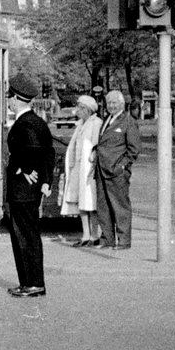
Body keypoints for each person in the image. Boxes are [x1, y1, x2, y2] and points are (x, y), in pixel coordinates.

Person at [5, 73, 55, 298]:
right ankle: (29, 282)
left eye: (9, 98)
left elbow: (31, 151)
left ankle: (32, 283)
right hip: (29, 190)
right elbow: (49, 153)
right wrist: (46, 180)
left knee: (24, 237)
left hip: (23, 191)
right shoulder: (37, 122)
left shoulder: (26, 124)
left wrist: (22, 169)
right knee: (27, 236)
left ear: (15, 99)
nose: (8, 101)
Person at [93, 89, 140, 250]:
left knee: (120, 206)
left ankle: (124, 240)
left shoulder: (128, 121)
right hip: (101, 169)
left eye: (114, 103)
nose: (111, 106)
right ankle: (107, 238)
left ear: (121, 104)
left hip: (116, 171)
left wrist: (122, 166)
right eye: (109, 103)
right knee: (103, 206)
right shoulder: (107, 119)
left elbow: (133, 149)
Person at [61, 94, 102, 246]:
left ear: (86, 109)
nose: (76, 110)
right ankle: (86, 234)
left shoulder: (96, 123)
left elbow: (96, 146)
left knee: (91, 202)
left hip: (89, 169)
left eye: (79, 107)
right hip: (78, 168)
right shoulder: (80, 125)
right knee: (81, 203)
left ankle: (94, 234)